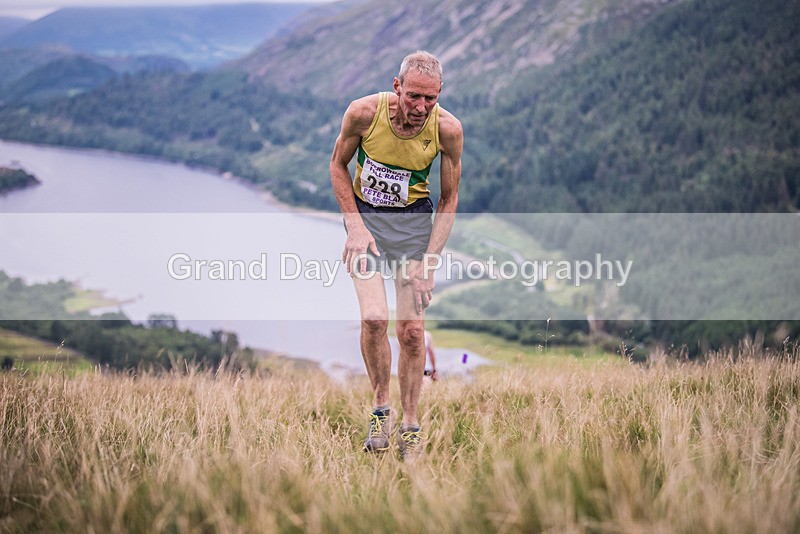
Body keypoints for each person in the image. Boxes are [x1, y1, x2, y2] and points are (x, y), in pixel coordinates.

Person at [330, 50, 462, 459]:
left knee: (411, 332)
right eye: (414, 97)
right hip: (366, 225)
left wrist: (430, 262)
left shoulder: (448, 130)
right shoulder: (364, 114)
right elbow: (337, 166)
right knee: (373, 319)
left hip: (412, 229)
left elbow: (449, 198)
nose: (422, 107)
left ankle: (409, 424)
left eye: (431, 98)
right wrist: (353, 225)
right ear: (397, 87)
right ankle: (380, 408)